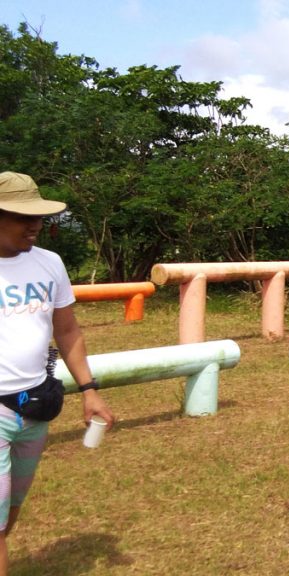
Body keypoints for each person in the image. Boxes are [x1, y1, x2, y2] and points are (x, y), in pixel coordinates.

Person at [0, 172, 116, 574]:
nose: (34, 225)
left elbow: (66, 330)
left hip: (35, 407)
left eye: (37, 217)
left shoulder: (49, 263)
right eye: (20, 217)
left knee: (11, 513)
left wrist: (89, 390)